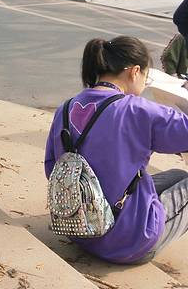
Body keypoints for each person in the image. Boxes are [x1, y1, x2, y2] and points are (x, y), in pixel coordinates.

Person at [45, 36, 188, 264]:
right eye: (146, 77)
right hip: (128, 243)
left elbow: (51, 168)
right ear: (134, 71)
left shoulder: (65, 108)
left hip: (78, 228)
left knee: (177, 176)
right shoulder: (137, 110)